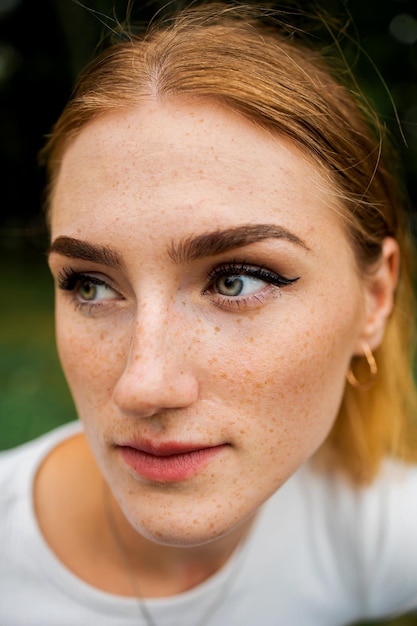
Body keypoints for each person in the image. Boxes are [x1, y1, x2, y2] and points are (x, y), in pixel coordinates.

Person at [1, 1, 417, 624]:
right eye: (90, 286)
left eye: (237, 279)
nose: (144, 385)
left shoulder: (372, 530)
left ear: (375, 299)